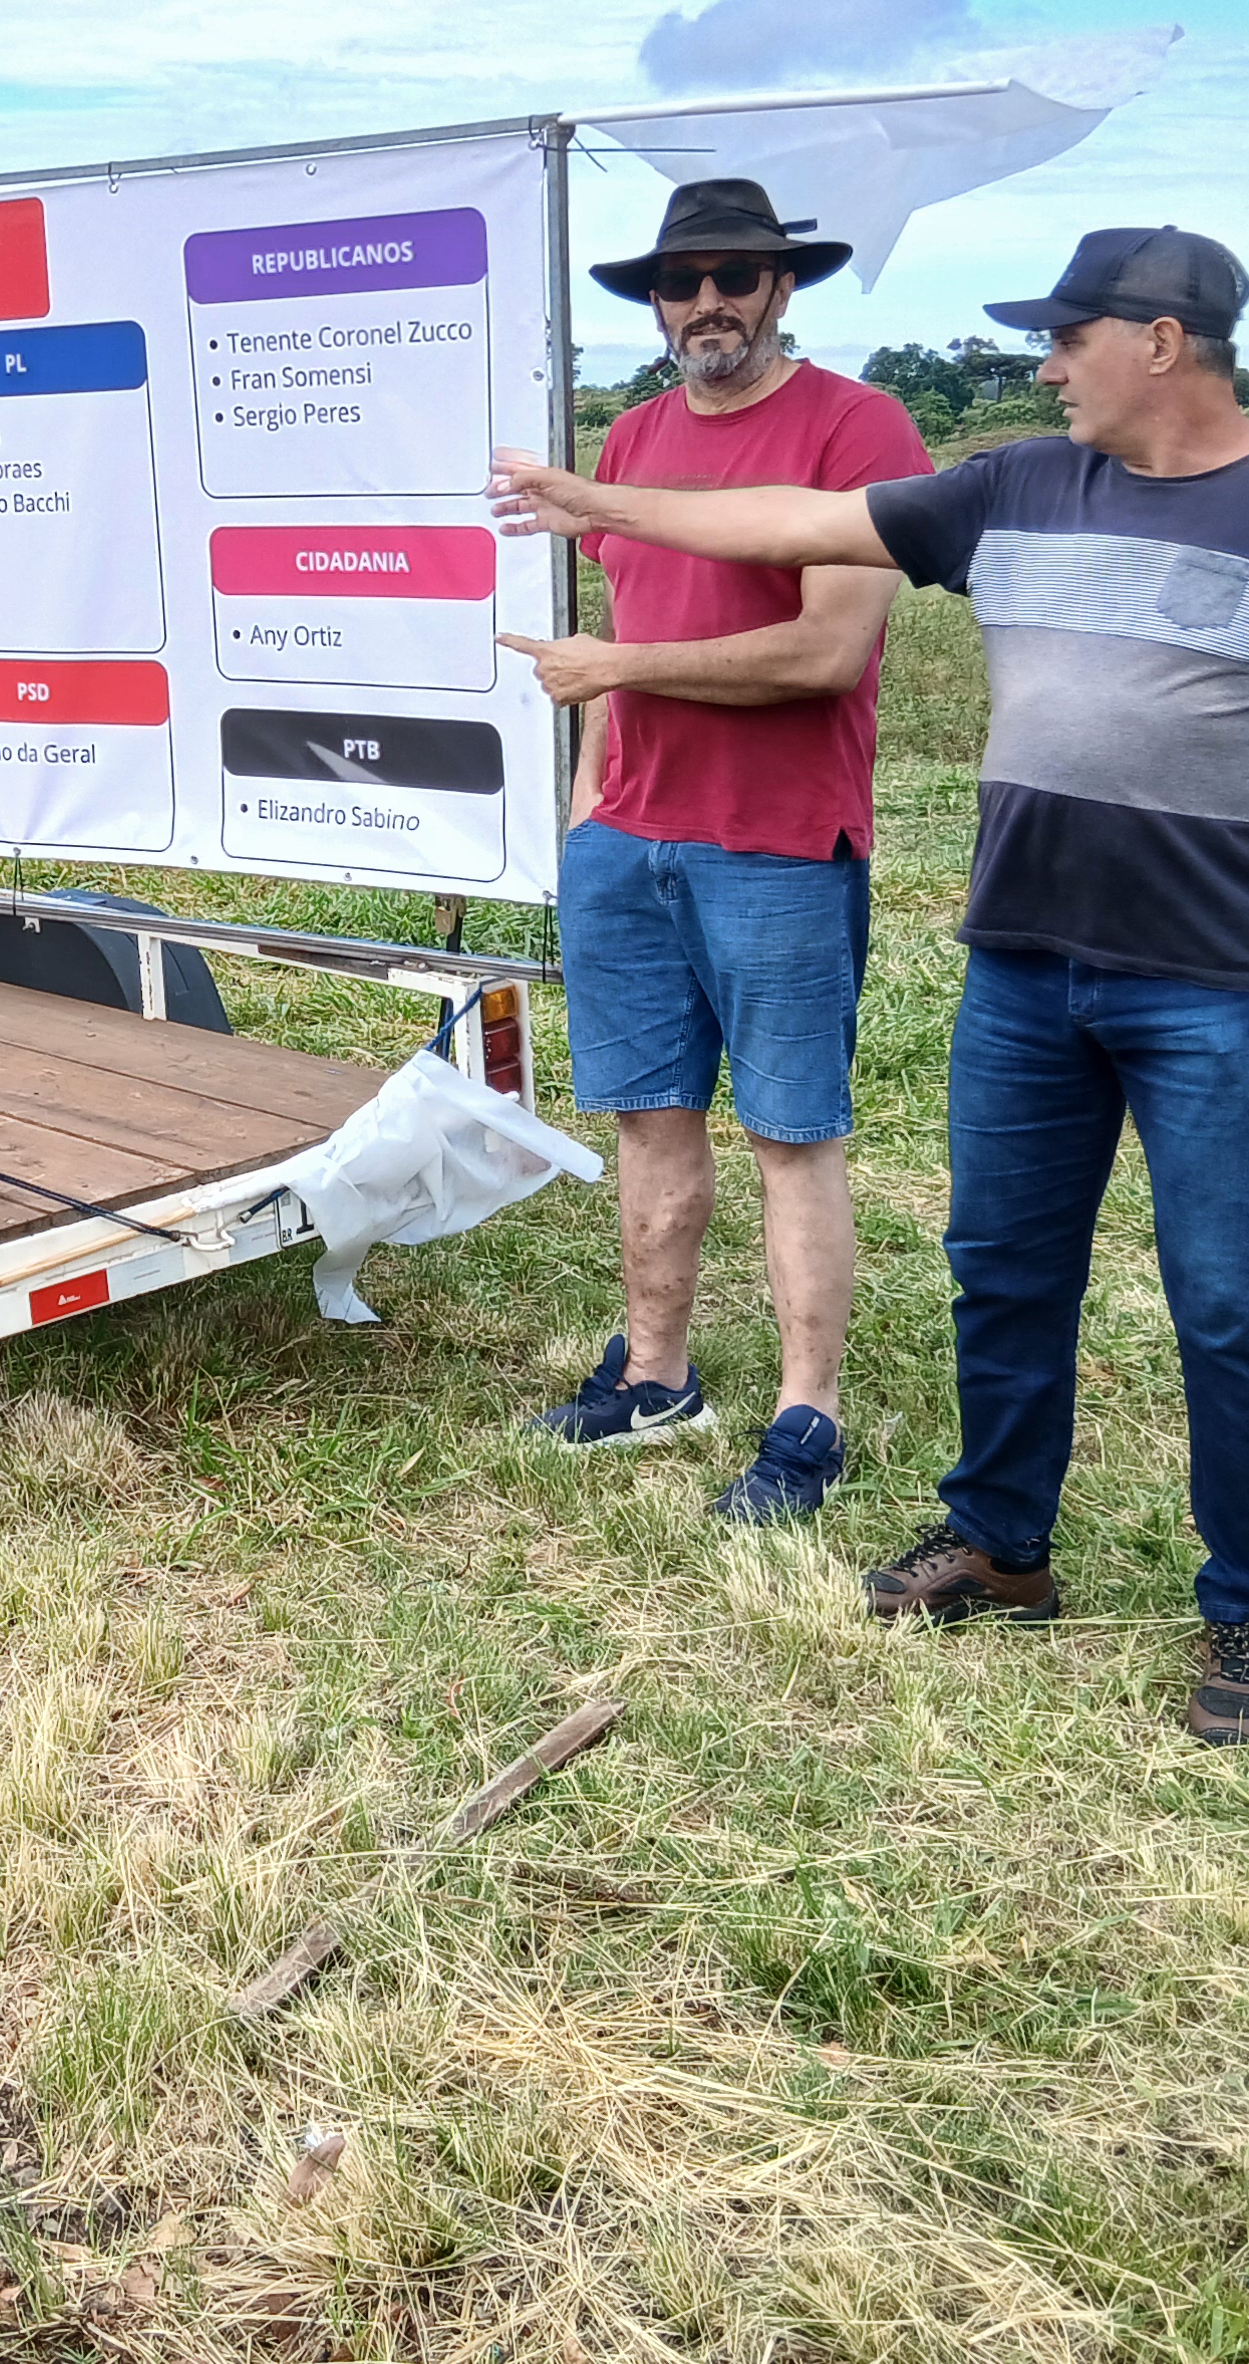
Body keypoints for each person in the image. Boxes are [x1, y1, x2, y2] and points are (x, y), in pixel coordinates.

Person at [489, 227, 1249, 1745]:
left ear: (1160, 342)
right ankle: (1003, 1543)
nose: (1046, 368)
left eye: (1067, 340)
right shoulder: (1015, 488)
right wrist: (593, 498)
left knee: (1230, 1308)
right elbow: (791, 518)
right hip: (1021, 970)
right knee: (1002, 1271)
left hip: (1221, 985)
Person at [500, 179, 936, 1525]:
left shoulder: (858, 428)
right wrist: (590, 806)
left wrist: (617, 669)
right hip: (628, 842)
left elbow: (826, 652)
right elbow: (614, 652)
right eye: (680, 282)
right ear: (655, 305)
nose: (707, 303)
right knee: (648, 1117)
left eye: (736, 277)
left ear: (782, 289)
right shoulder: (631, 439)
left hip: (780, 842)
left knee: (791, 1132)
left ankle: (809, 1415)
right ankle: (654, 1375)